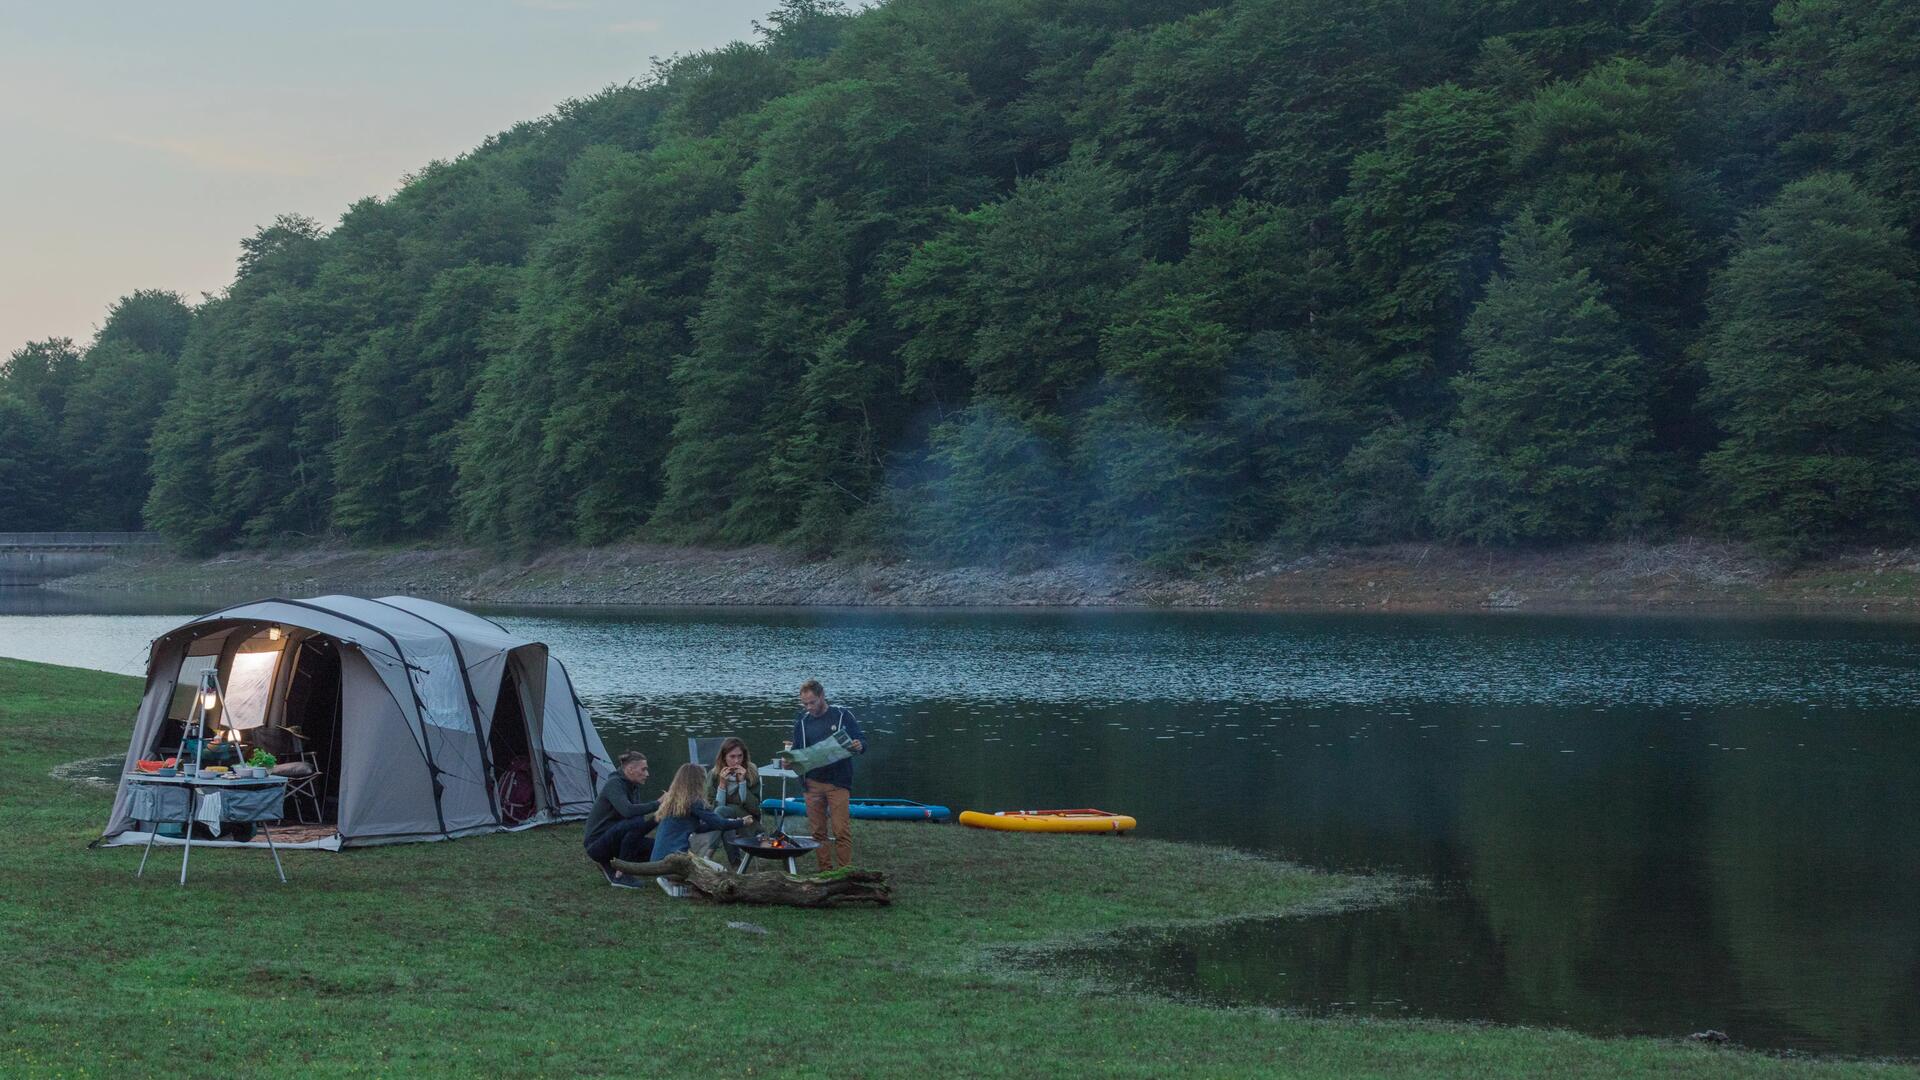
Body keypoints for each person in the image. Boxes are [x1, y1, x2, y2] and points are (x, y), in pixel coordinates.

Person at [783, 678, 866, 872]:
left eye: (812, 702)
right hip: (812, 783)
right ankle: (825, 872)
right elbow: (797, 750)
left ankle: (845, 872)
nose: (809, 707)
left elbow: (861, 740)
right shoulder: (802, 722)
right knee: (818, 832)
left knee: (841, 830)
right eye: (805, 704)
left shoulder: (842, 715)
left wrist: (859, 745)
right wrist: (789, 761)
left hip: (838, 782)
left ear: (822, 696)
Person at [647, 762, 754, 862]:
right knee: (719, 871)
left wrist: (731, 822)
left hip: (657, 860)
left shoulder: (673, 802)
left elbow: (699, 828)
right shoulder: (694, 801)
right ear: (698, 781)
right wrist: (742, 822)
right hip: (674, 861)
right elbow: (719, 824)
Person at [583, 751, 658, 888]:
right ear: (630, 769)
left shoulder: (633, 787)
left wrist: (660, 815)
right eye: (643, 769)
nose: (647, 774)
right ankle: (621, 874)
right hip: (596, 845)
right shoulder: (614, 784)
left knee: (656, 847)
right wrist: (657, 803)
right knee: (636, 821)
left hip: (614, 841)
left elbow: (639, 829)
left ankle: (610, 864)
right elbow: (628, 811)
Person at [690, 737, 763, 861]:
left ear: (744, 756)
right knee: (723, 814)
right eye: (732, 757)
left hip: (748, 821)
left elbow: (755, 809)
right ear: (724, 757)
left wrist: (742, 783)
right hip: (724, 822)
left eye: (740, 756)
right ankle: (735, 863)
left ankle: (705, 856)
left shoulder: (751, 772)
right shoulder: (714, 774)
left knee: (724, 812)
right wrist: (722, 784)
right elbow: (711, 809)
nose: (737, 761)